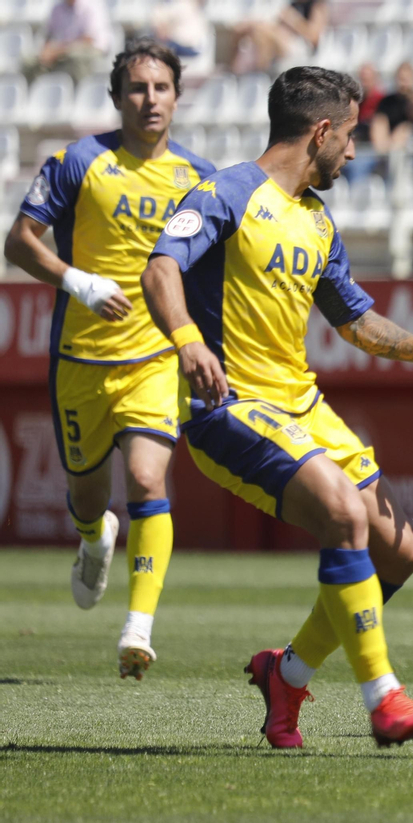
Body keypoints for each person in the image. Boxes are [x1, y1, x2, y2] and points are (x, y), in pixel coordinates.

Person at [140, 66, 413, 748]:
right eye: (352, 136)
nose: (355, 153)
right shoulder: (228, 192)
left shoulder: (317, 221)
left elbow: (355, 321)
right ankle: (382, 697)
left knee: (401, 553)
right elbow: (160, 268)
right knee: (343, 509)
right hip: (230, 405)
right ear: (322, 132)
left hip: (301, 406)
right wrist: (186, 342)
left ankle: (287, 672)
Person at [4, 40, 213, 681]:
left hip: (153, 357)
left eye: (161, 88)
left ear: (177, 96)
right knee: (88, 497)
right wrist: (77, 282)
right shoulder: (77, 162)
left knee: (150, 482)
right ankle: (94, 536)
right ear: (117, 98)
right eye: (137, 89)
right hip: (81, 360)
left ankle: (138, 628)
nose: (150, 100)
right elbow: (18, 244)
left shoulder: (199, 178)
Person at [22, 0, 114, 83]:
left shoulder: (92, 6)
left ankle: (77, 93)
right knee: (29, 61)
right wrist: (46, 51)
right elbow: (49, 35)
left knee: (74, 58)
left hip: (91, 49)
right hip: (62, 51)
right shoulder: (57, 8)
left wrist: (57, 52)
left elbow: (88, 40)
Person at [228, 0, 328, 75]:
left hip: (301, 48)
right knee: (248, 29)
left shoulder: (317, 5)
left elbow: (314, 37)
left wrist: (293, 20)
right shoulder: (292, 4)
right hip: (284, 42)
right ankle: (247, 70)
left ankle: (258, 71)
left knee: (258, 29)